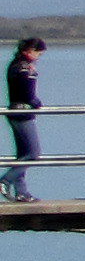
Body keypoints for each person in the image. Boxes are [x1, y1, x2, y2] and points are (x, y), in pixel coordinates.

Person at [5, 38, 41, 202]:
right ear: (28, 51)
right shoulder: (22, 68)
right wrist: (36, 103)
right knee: (33, 153)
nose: (39, 56)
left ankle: (22, 192)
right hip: (22, 114)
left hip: (16, 112)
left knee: (22, 155)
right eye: (37, 52)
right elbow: (26, 93)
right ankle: (5, 180)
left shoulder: (16, 65)